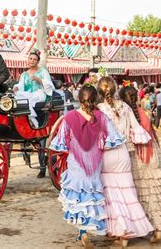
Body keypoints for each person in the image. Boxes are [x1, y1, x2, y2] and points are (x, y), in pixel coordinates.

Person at [50, 85, 124, 248]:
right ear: (95, 99)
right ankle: (86, 230)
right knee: (91, 195)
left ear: (79, 99)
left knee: (78, 196)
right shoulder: (101, 117)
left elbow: (61, 143)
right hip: (94, 161)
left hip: (76, 162)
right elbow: (113, 140)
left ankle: (82, 232)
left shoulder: (69, 117)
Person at [97, 76, 154, 246]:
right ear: (115, 90)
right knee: (127, 193)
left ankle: (117, 230)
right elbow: (137, 131)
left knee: (111, 195)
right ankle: (127, 233)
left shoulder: (98, 109)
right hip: (122, 153)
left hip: (106, 154)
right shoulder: (126, 107)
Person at [119, 85, 161, 243]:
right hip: (150, 159)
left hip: (136, 160)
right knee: (154, 195)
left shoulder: (126, 115)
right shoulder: (144, 114)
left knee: (139, 195)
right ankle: (157, 229)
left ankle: (142, 227)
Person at [13, 50, 55, 128]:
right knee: (17, 96)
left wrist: (38, 79)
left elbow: (49, 85)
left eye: (34, 59)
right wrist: (16, 87)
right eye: (30, 58)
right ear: (28, 59)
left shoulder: (43, 72)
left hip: (40, 94)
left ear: (38, 61)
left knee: (27, 99)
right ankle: (30, 120)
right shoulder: (24, 74)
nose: (32, 61)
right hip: (29, 95)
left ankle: (33, 121)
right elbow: (21, 86)